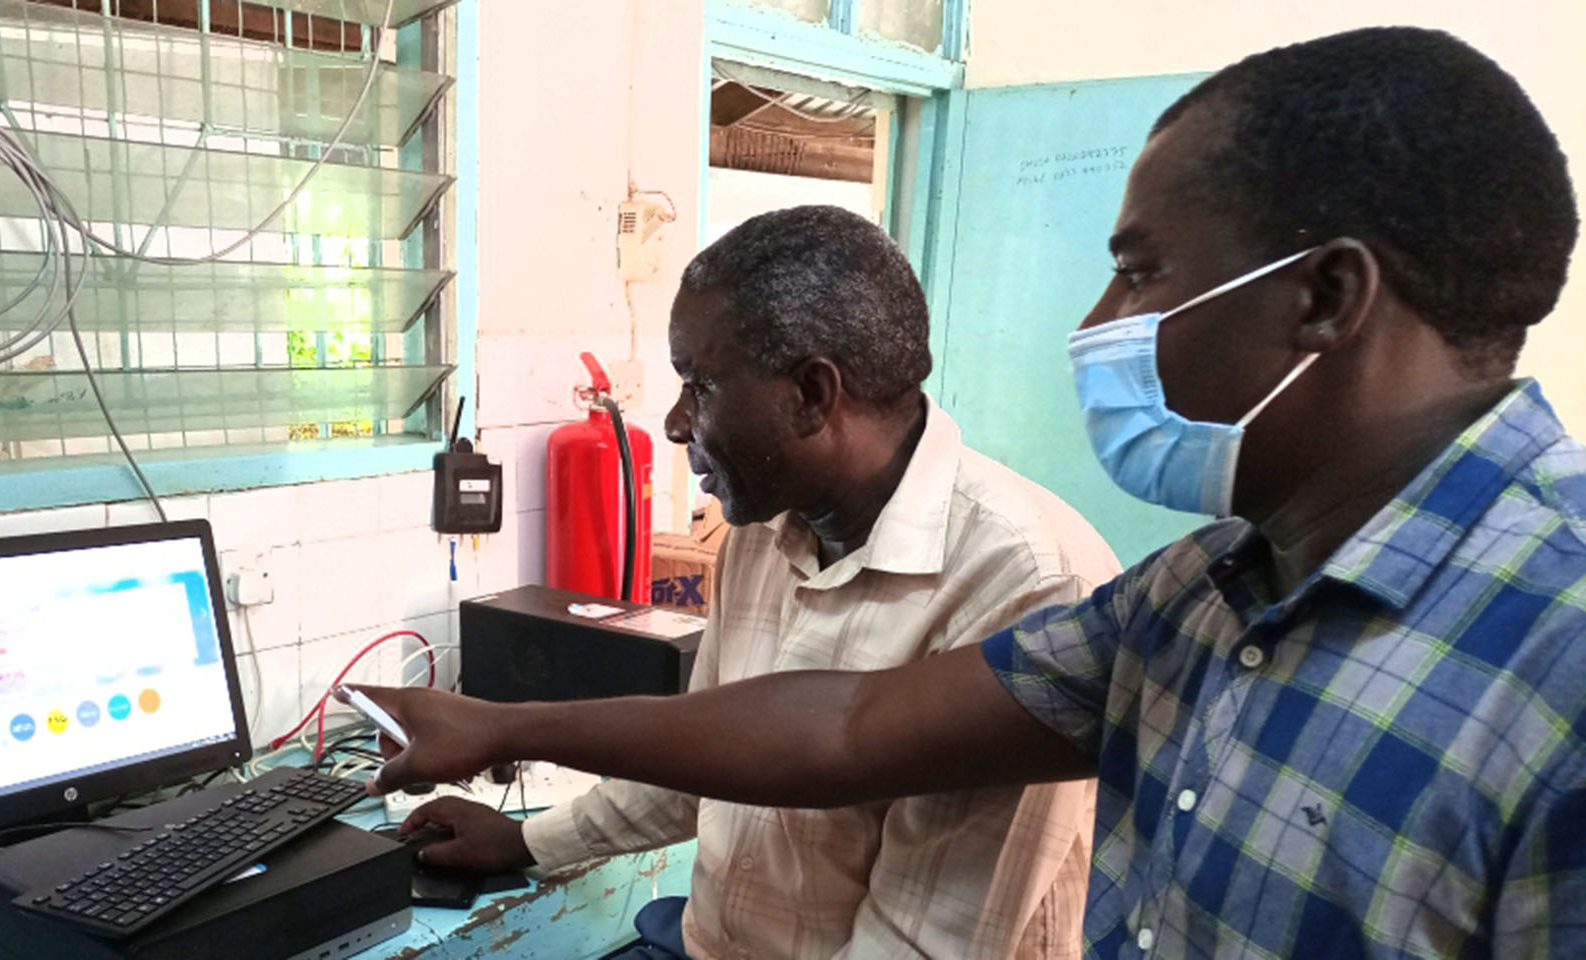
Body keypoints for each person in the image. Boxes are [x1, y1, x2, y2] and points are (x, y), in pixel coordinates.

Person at [349, 26, 1583, 958]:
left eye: (1142, 277)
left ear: (1323, 298)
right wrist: (511, 752)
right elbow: (841, 732)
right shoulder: (1198, 596)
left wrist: (510, 732)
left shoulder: (1556, 666)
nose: (1099, 329)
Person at [398, 205, 1120, 959]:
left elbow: (919, 943)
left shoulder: (1027, 583)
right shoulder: (763, 530)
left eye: (698, 385)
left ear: (812, 394)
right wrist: (526, 838)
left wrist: (506, 733)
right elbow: (701, 759)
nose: (676, 424)